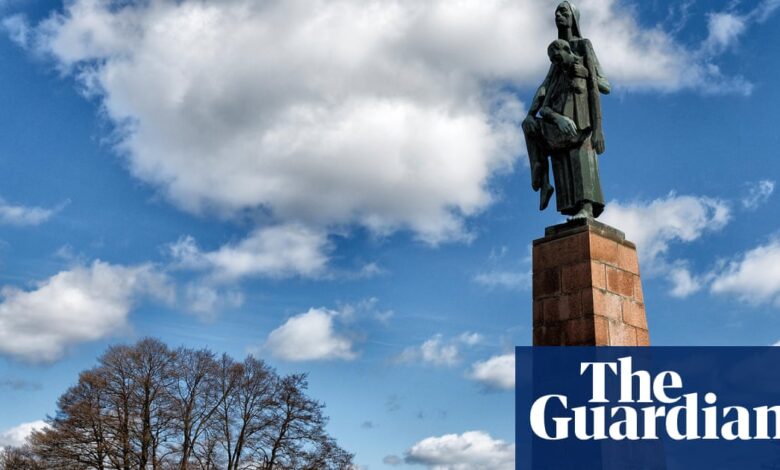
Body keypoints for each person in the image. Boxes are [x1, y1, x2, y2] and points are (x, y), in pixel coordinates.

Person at [522, 1, 611, 219]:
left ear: (573, 17)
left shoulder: (583, 46)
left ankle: (586, 206)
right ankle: (542, 180)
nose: (558, 16)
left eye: (563, 12)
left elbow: (605, 86)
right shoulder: (556, 54)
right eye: (556, 13)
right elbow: (545, 85)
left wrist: (587, 74)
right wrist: (531, 114)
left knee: (579, 157)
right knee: (533, 129)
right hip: (561, 114)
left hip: (581, 117)